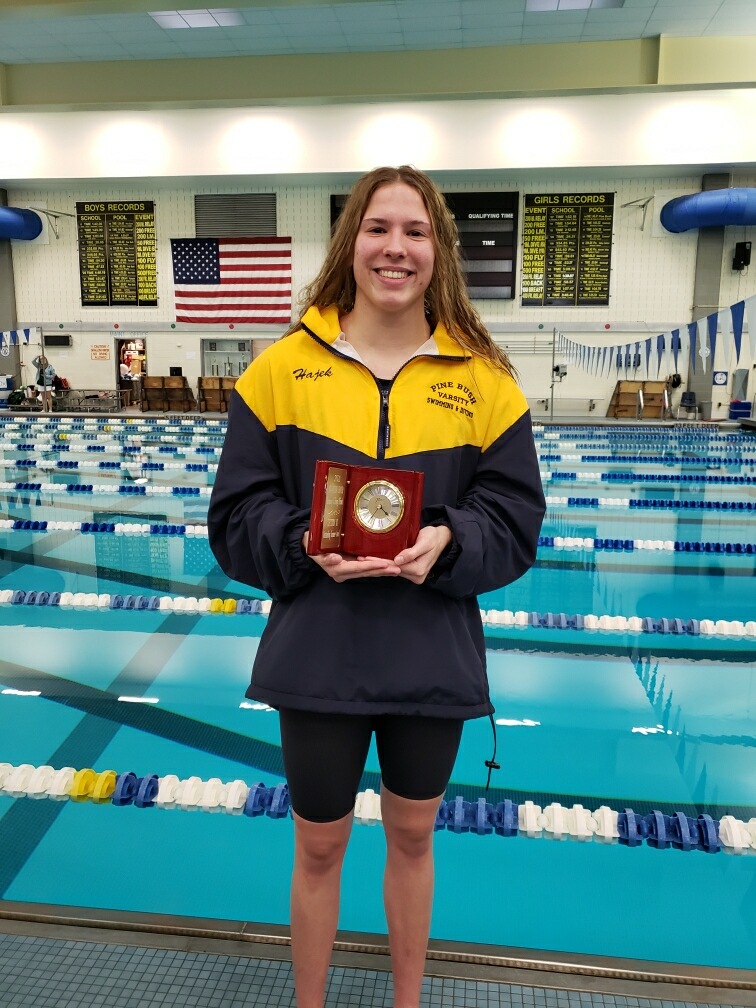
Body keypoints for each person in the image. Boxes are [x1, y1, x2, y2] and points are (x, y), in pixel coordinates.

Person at [207, 165, 546, 1008]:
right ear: (350, 242)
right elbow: (235, 514)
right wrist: (300, 543)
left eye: (416, 231)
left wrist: (450, 541)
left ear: (440, 251)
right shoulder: (281, 371)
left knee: (413, 837)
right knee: (318, 848)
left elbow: (515, 519)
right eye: (378, 228)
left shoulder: (485, 380)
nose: (396, 248)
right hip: (319, 652)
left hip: (429, 653)